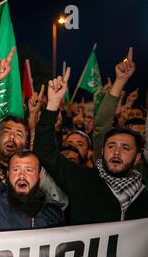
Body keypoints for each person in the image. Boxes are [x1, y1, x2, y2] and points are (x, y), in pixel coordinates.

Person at [34, 65, 148, 224]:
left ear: (137, 157)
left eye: (125, 148)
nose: (116, 152)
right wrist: (53, 104)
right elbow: (45, 151)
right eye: (111, 146)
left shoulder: (144, 194)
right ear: (102, 151)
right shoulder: (83, 180)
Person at [0, 80, 64, 231]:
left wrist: (51, 105)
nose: (22, 175)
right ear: (8, 173)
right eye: (16, 169)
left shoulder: (53, 214)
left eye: (29, 170)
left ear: (39, 176)